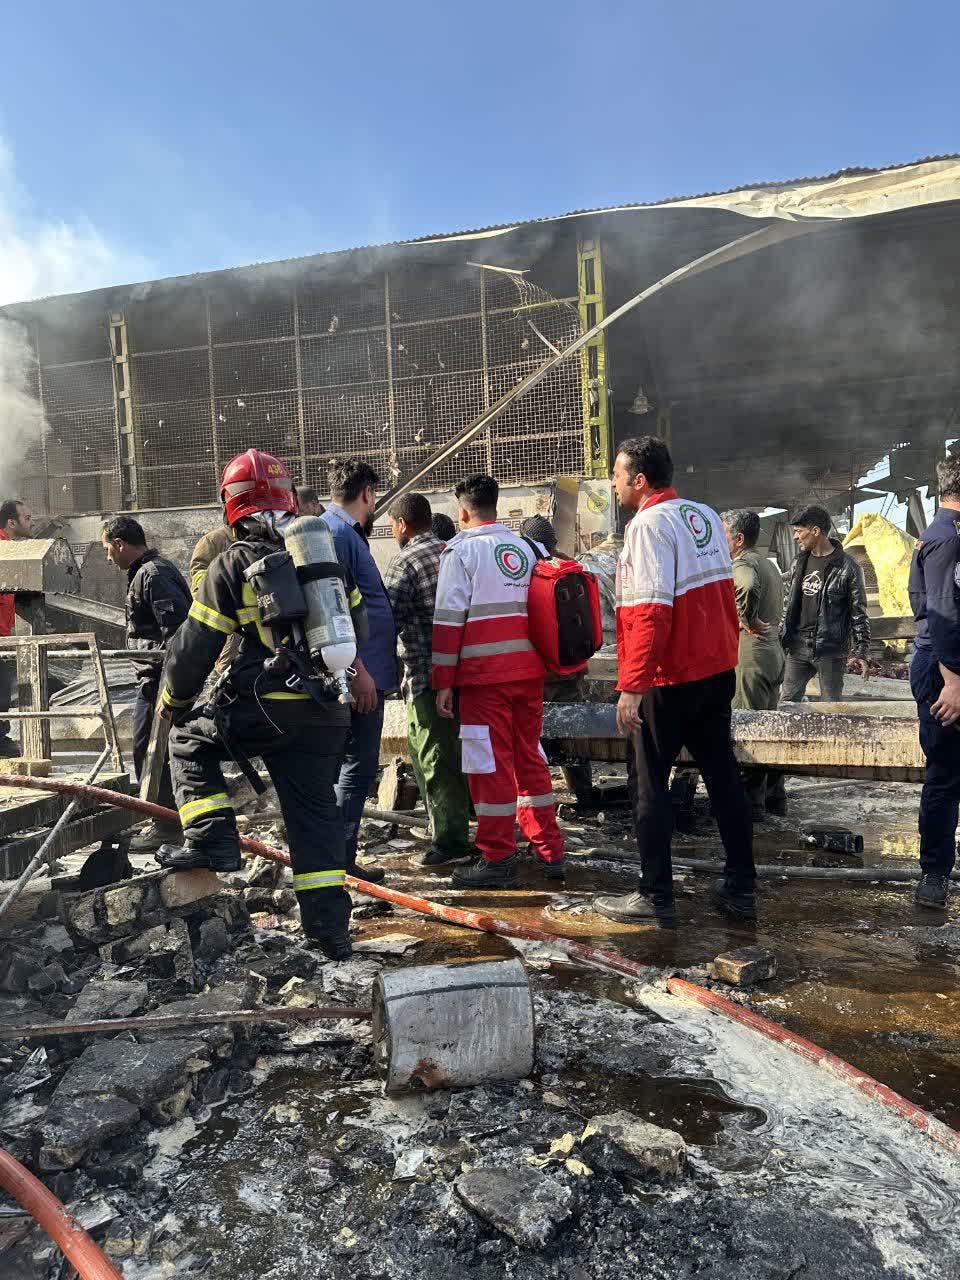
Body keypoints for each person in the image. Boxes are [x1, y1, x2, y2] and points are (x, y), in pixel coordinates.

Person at [155, 449, 369, 960]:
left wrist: (174, 699)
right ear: (288, 499)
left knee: (187, 739)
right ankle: (330, 933)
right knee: (314, 818)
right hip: (326, 711)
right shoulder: (323, 556)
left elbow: (194, 648)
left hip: (266, 705)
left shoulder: (232, 562)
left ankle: (212, 840)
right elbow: (358, 628)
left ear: (231, 505)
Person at [593, 436, 756, 928]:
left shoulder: (648, 525)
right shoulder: (703, 515)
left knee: (647, 783)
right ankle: (741, 887)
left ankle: (655, 895)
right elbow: (720, 595)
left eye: (617, 475)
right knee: (723, 777)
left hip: (670, 678)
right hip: (715, 671)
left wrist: (632, 686)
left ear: (640, 480)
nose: (613, 484)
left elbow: (650, 611)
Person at [432, 473, 565, 887]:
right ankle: (550, 850)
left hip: (483, 679)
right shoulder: (527, 548)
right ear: (496, 505)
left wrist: (443, 681)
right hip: (529, 674)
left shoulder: (460, 552)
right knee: (529, 758)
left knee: (487, 765)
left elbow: (448, 621)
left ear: (463, 511)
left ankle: (498, 858)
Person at [385, 492, 473, 867]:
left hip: (426, 678)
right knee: (464, 755)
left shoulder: (405, 562)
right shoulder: (455, 552)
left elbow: (387, 622)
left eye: (392, 526)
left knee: (434, 759)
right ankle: (471, 826)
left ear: (402, 524)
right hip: (468, 676)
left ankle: (451, 842)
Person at [322, 459, 399, 884]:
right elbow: (332, 611)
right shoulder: (337, 534)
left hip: (361, 672)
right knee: (355, 767)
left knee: (352, 768)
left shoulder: (341, 533)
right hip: (357, 678)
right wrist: (357, 671)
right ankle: (340, 862)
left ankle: (338, 859)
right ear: (367, 493)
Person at [101, 516, 191, 852]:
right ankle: (165, 821)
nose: (108, 557)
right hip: (156, 677)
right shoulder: (146, 572)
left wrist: (172, 682)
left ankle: (167, 826)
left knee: (152, 751)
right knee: (151, 751)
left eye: (108, 549)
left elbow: (178, 634)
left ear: (120, 543)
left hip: (161, 680)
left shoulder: (153, 574)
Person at [908, 455, 960, 910]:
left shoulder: (939, 534)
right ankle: (935, 874)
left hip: (946, 663)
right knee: (945, 775)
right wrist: (954, 683)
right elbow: (941, 615)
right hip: (946, 669)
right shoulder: (947, 539)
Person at [722, 509, 787, 821]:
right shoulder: (769, 565)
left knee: (749, 728)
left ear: (738, 539)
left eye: (723, 534)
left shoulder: (743, 564)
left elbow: (746, 586)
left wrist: (744, 618)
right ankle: (775, 799)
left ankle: (751, 807)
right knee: (770, 729)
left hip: (751, 655)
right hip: (773, 652)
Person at [779, 505, 870, 702]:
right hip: (797, 647)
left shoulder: (848, 567)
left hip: (831, 651)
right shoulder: (798, 562)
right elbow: (788, 604)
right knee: (787, 704)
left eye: (799, 531)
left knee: (831, 708)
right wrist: (781, 636)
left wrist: (861, 651)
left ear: (815, 531)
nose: (795, 537)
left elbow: (859, 613)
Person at [0, 503, 21, 758]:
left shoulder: (10, 550)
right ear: (12, 523)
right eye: (28, 518)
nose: (32, 522)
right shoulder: (3, 550)